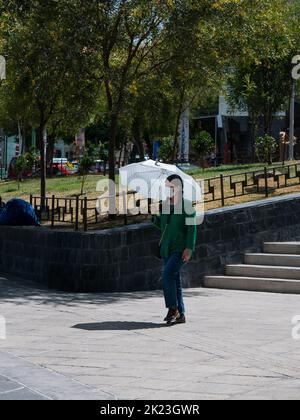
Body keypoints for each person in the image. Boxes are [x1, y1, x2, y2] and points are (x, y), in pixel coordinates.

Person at [152, 174, 197, 326]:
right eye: (167, 187)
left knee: (167, 275)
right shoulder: (165, 205)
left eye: (170, 187)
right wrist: (153, 217)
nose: (167, 190)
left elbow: (192, 229)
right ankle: (181, 314)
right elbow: (163, 226)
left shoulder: (188, 205)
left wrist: (189, 248)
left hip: (180, 249)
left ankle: (172, 308)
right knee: (174, 280)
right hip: (167, 248)